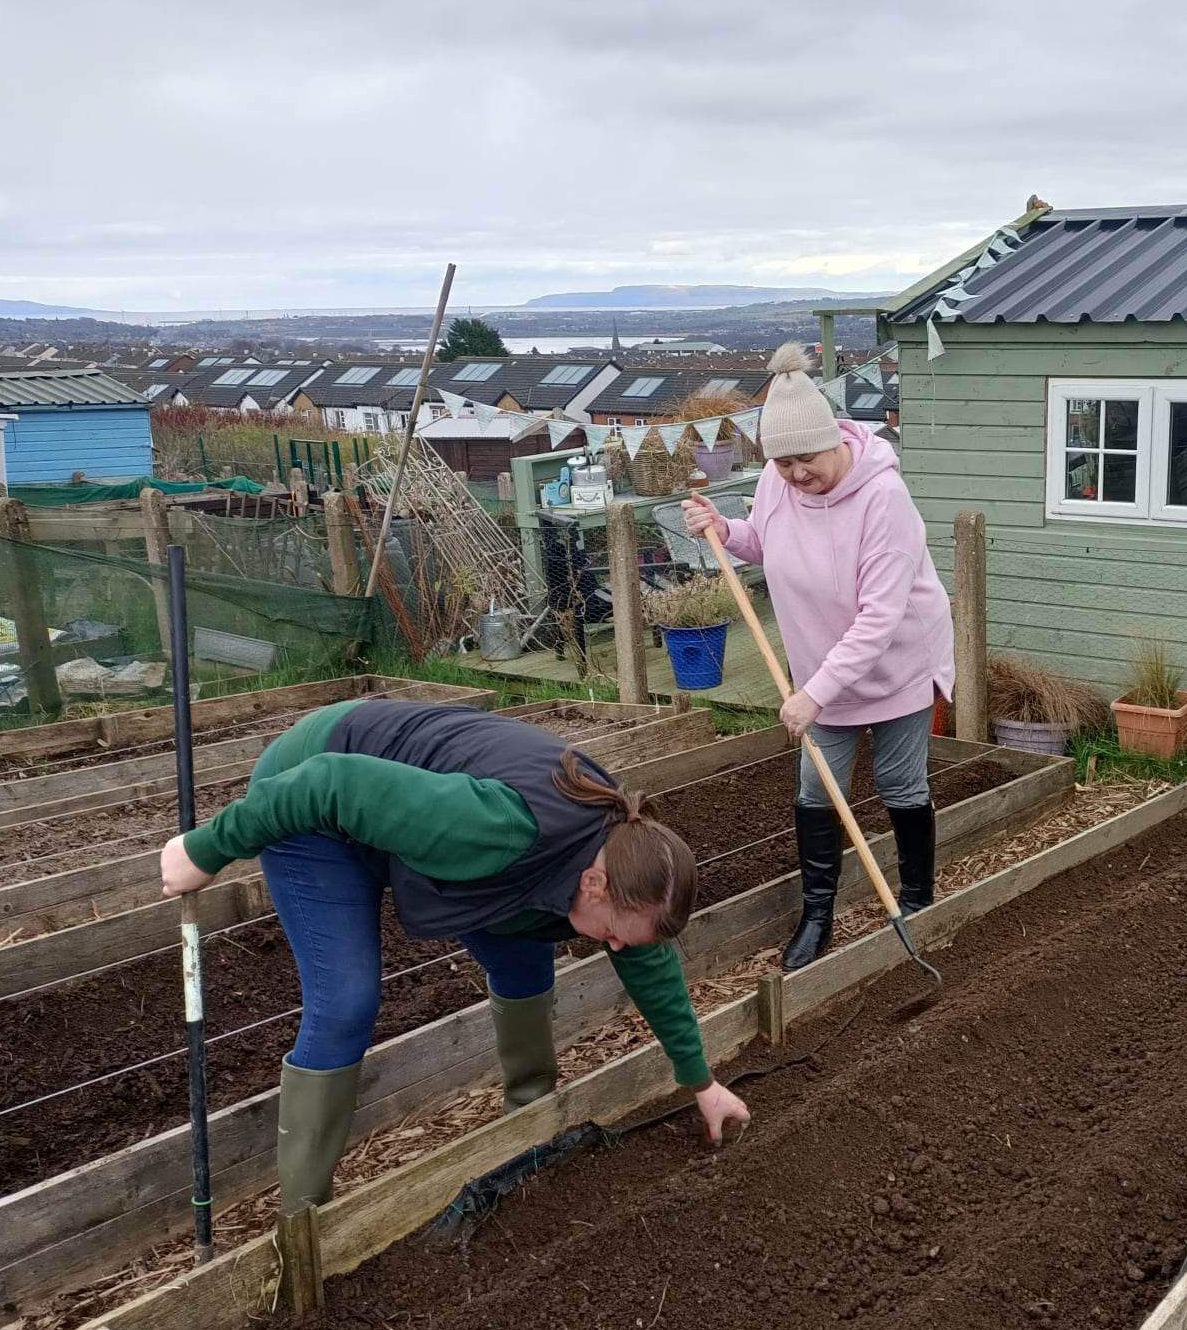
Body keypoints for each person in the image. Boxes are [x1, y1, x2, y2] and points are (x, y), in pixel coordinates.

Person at [157, 698, 750, 1210]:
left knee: (524, 955)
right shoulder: (497, 827)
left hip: (397, 807)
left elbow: (647, 959)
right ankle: (304, 1220)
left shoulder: (624, 854)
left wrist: (702, 1083)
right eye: (615, 933)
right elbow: (329, 783)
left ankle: (529, 1121)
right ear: (595, 885)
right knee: (346, 1002)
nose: (615, 947)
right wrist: (207, 849)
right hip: (311, 795)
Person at [684, 342, 955, 972]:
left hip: (895, 663)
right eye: (783, 462)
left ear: (833, 440)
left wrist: (813, 693)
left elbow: (879, 619)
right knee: (816, 789)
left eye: (806, 458)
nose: (797, 474)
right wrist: (726, 531)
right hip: (820, 670)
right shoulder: (776, 484)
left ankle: (917, 899)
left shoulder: (884, 499)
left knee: (899, 782)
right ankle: (816, 915)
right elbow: (765, 541)